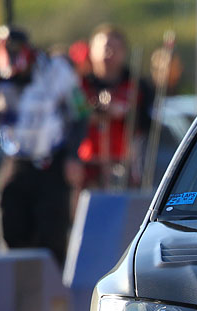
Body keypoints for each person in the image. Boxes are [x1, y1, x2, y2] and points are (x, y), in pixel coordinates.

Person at [0, 26, 88, 266]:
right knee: (13, 228)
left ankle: (54, 282)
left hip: (52, 162)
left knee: (52, 233)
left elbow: (80, 113)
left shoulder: (56, 71)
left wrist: (73, 154)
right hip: (17, 161)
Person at [77, 24, 153, 190]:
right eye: (104, 47)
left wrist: (122, 111)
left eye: (114, 48)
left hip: (125, 164)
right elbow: (75, 117)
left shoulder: (136, 85)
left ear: (123, 52)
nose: (108, 53)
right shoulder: (80, 84)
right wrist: (99, 111)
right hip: (88, 164)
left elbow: (144, 124)